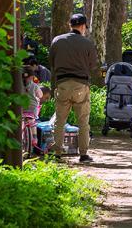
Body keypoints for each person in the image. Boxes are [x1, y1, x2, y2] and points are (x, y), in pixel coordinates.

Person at [49, 13, 97, 163]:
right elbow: (93, 65)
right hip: (80, 85)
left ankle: (57, 152)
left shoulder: (57, 41)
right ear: (83, 26)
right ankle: (83, 154)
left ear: (70, 25)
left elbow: (51, 61)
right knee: (83, 121)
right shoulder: (87, 44)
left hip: (62, 84)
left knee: (60, 120)